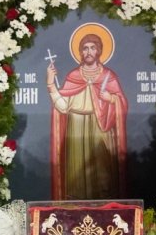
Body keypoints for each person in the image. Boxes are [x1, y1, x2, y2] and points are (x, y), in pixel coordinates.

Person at [47, 28, 129, 199]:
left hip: (100, 126)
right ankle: (75, 205)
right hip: (76, 126)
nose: (89, 51)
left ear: (99, 51)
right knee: (76, 171)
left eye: (93, 47)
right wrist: (51, 84)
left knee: (103, 169)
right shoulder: (73, 76)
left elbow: (122, 103)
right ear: (80, 52)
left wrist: (111, 98)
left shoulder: (108, 76)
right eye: (85, 48)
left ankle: (105, 204)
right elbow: (62, 107)